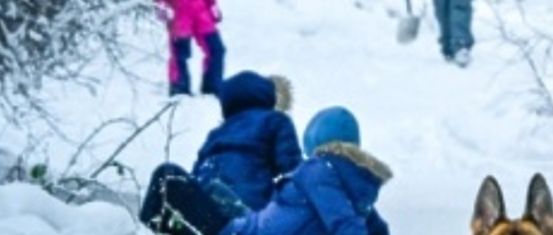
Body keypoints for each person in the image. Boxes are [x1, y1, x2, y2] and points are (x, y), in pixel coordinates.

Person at [140, 106, 392, 235]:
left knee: (167, 178)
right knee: (213, 190)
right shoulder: (355, 194)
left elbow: (346, 226)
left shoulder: (320, 170)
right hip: (250, 223)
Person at [192, 71, 303, 211]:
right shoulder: (275, 120)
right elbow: (291, 165)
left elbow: (197, 168)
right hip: (250, 202)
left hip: (206, 200)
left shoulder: (216, 133)